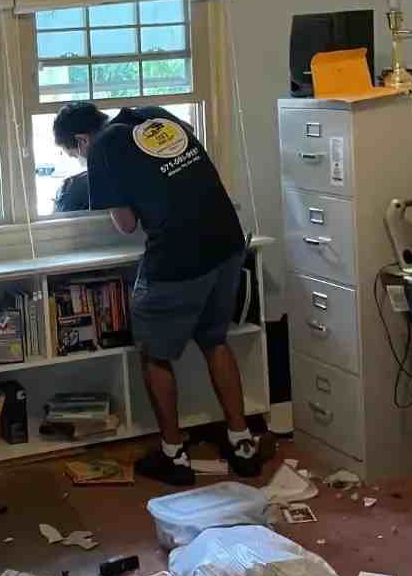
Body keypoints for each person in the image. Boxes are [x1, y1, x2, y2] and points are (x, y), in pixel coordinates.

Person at [52, 101, 274, 485]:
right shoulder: (153, 114)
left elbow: (126, 225)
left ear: (81, 139)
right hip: (227, 243)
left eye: (74, 154)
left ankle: (174, 454)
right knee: (214, 340)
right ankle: (242, 443)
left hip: (178, 257)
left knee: (155, 354)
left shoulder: (102, 149)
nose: (79, 159)